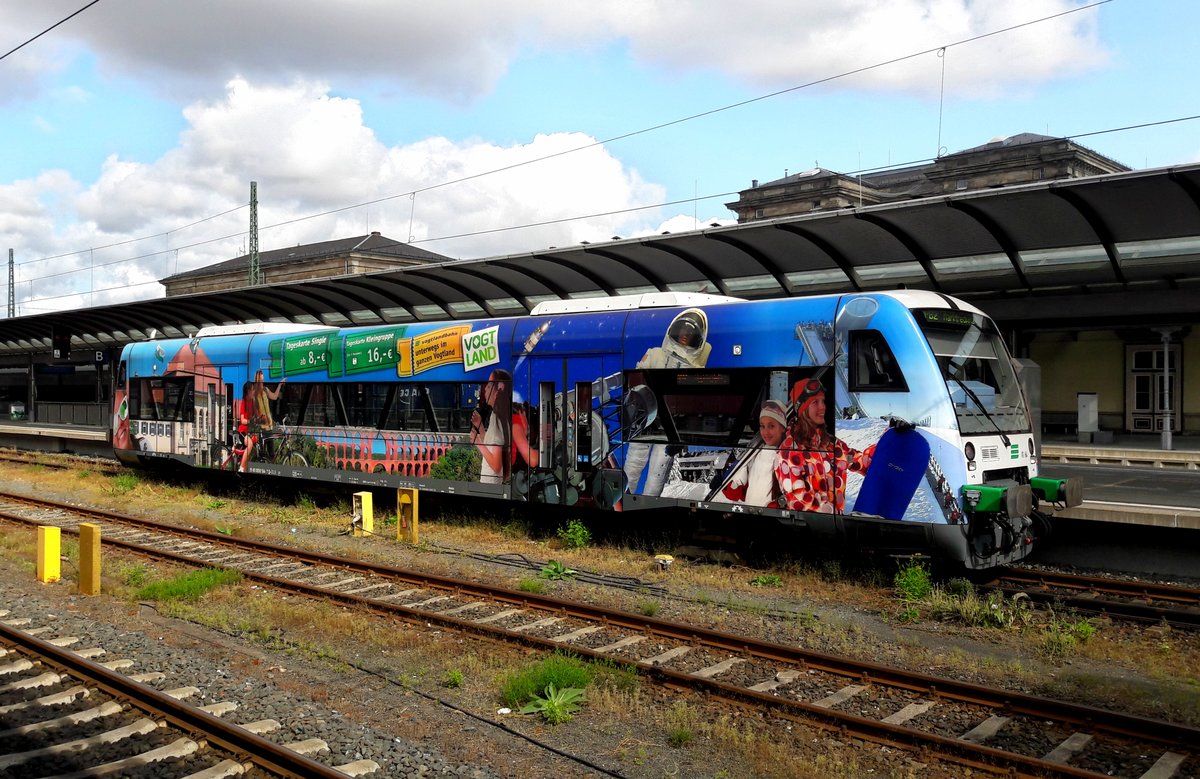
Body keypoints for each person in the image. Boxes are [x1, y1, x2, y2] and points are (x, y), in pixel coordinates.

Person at [775, 378, 874, 513]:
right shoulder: (789, 451)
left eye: (823, 401)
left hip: (833, 526)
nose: (822, 407)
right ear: (802, 408)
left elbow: (860, 462)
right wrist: (830, 513)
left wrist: (891, 440)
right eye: (815, 402)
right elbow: (798, 502)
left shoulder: (831, 445)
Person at [470, 369, 537, 484]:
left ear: (498, 390)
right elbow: (493, 445)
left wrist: (477, 442)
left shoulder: (501, 418)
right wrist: (480, 427)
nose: (485, 388)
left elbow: (496, 466)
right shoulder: (495, 415)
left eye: (490, 385)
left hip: (491, 485)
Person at [721, 399, 787, 507]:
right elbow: (736, 494)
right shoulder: (754, 454)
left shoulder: (787, 457)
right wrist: (734, 480)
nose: (765, 432)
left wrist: (775, 508)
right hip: (750, 514)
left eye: (771, 426)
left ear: (782, 428)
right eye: (762, 426)